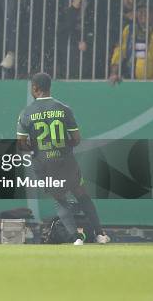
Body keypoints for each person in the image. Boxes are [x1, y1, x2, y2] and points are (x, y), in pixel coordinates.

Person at [16, 73, 110, 245]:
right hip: (66, 161)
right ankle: (100, 234)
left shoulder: (26, 113)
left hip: (44, 163)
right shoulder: (64, 109)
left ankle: (76, 238)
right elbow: (76, 139)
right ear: (49, 87)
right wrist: (61, 147)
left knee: (60, 200)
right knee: (82, 196)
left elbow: (21, 145)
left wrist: (36, 147)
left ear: (35, 88)